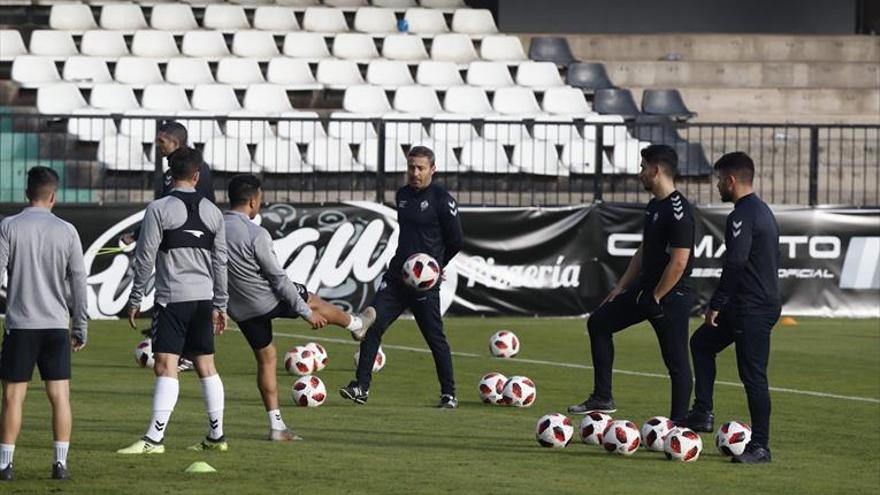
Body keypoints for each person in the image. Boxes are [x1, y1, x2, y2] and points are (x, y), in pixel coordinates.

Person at [223, 174, 376, 440]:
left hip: (239, 308)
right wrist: (306, 313)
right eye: (260, 198)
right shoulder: (255, 233)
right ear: (252, 200)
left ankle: (277, 427)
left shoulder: (215, 227)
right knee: (311, 298)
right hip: (265, 299)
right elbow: (278, 278)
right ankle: (356, 325)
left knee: (267, 359)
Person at [568, 144, 695, 422]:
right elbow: (644, 250)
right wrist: (621, 287)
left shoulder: (678, 210)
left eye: (642, 168)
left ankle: (679, 424)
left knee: (676, 362)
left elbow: (679, 263)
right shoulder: (654, 206)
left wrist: (657, 296)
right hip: (645, 290)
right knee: (599, 322)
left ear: (656, 170)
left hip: (670, 295)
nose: (640, 174)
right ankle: (603, 397)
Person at [117, 147, 230, 455]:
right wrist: (220, 304)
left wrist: (136, 297)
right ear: (197, 175)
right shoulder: (213, 212)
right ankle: (216, 436)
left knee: (166, 364)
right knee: (207, 364)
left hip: (172, 299)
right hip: (204, 298)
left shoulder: (158, 209)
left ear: (170, 175)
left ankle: (154, 440)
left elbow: (145, 257)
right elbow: (221, 262)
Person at [339, 146, 463, 408]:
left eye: (420, 168)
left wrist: (435, 268)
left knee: (434, 338)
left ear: (433, 169)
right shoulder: (403, 195)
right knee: (371, 328)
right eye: (411, 167)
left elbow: (456, 240)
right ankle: (361, 387)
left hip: (424, 283)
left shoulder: (442, 199)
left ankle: (449, 394)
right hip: (397, 277)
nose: (415, 173)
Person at [682, 152, 781, 464]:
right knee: (701, 343)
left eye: (719, 180)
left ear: (731, 180)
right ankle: (702, 414)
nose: (717, 186)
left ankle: (761, 446)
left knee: (752, 375)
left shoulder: (743, 214)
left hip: (752, 307)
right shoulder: (759, 210)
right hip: (747, 304)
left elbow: (736, 261)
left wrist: (717, 303)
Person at [0, 167, 88, 481]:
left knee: (12, 397)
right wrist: (80, 325)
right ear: (53, 196)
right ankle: (60, 464)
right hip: (55, 326)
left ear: (27, 193)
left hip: (21, 325)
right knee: (60, 396)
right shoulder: (67, 230)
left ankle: (5, 465)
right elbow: (78, 281)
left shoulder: (8, 226)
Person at [156, 121, 215, 202]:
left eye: (161, 141)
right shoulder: (198, 164)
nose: (157, 144)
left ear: (175, 144)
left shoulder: (188, 167)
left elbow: (167, 203)